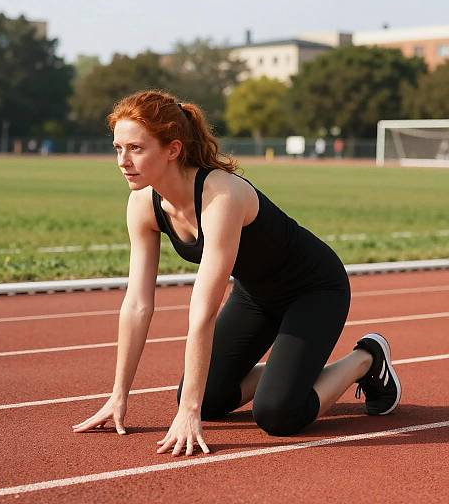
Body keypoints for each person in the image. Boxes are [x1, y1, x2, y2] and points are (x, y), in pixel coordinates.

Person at [72, 90, 401, 457]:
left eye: (135, 148)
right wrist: (119, 396)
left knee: (278, 414)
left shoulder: (221, 194)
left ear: (172, 149)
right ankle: (287, 373)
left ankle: (366, 358)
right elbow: (136, 305)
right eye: (118, 147)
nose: (123, 160)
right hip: (257, 295)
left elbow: (203, 310)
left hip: (314, 289)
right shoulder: (142, 205)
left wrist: (188, 413)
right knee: (207, 398)